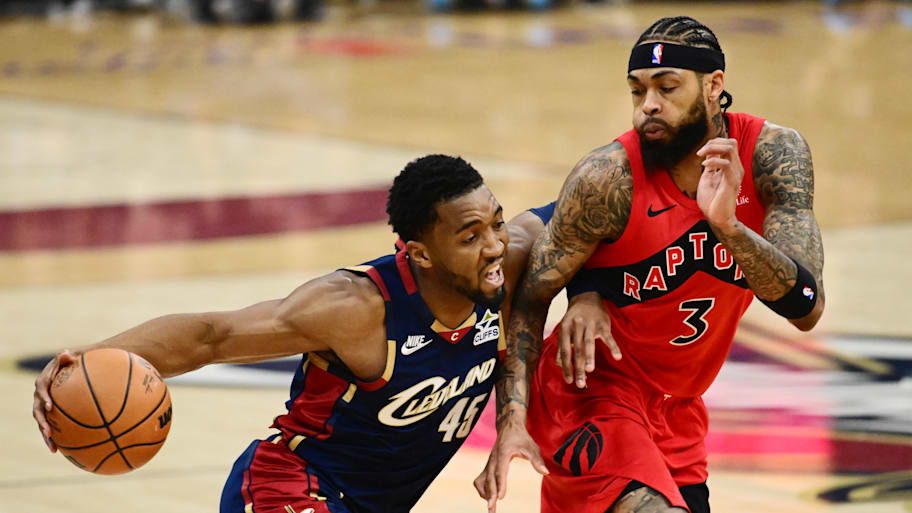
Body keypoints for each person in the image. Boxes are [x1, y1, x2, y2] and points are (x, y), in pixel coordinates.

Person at [32, 154, 607, 513]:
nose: (493, 246)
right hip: (289, 488)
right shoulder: (355, 307)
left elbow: (604, 197)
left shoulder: (506, 264)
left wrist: (588, 292)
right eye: (470, 235)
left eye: (497, 222)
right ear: (420, 253)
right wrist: (90, 359)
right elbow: (212, 336)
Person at [477, 16, 826, 513]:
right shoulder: (607, 177)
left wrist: (729, 228)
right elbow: (530, 297)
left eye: (667, 87)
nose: (649, 106)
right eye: (637, 91)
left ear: (714, 87)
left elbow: (806, 307)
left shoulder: (774, 154)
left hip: (678, 410)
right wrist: (512, 420)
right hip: (590, 393)